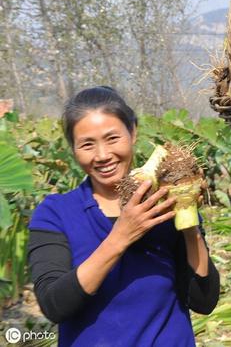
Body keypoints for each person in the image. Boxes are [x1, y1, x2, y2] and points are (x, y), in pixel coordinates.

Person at [27, 86, 220, 346]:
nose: (103, 155)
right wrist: (120, 236)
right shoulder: (55, 213)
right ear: (73, 149)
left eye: (112, 138)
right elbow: (54, 305)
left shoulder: (164, 202)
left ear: (133, 132)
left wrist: (188, 221)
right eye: (87, 145)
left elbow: (204, 301)